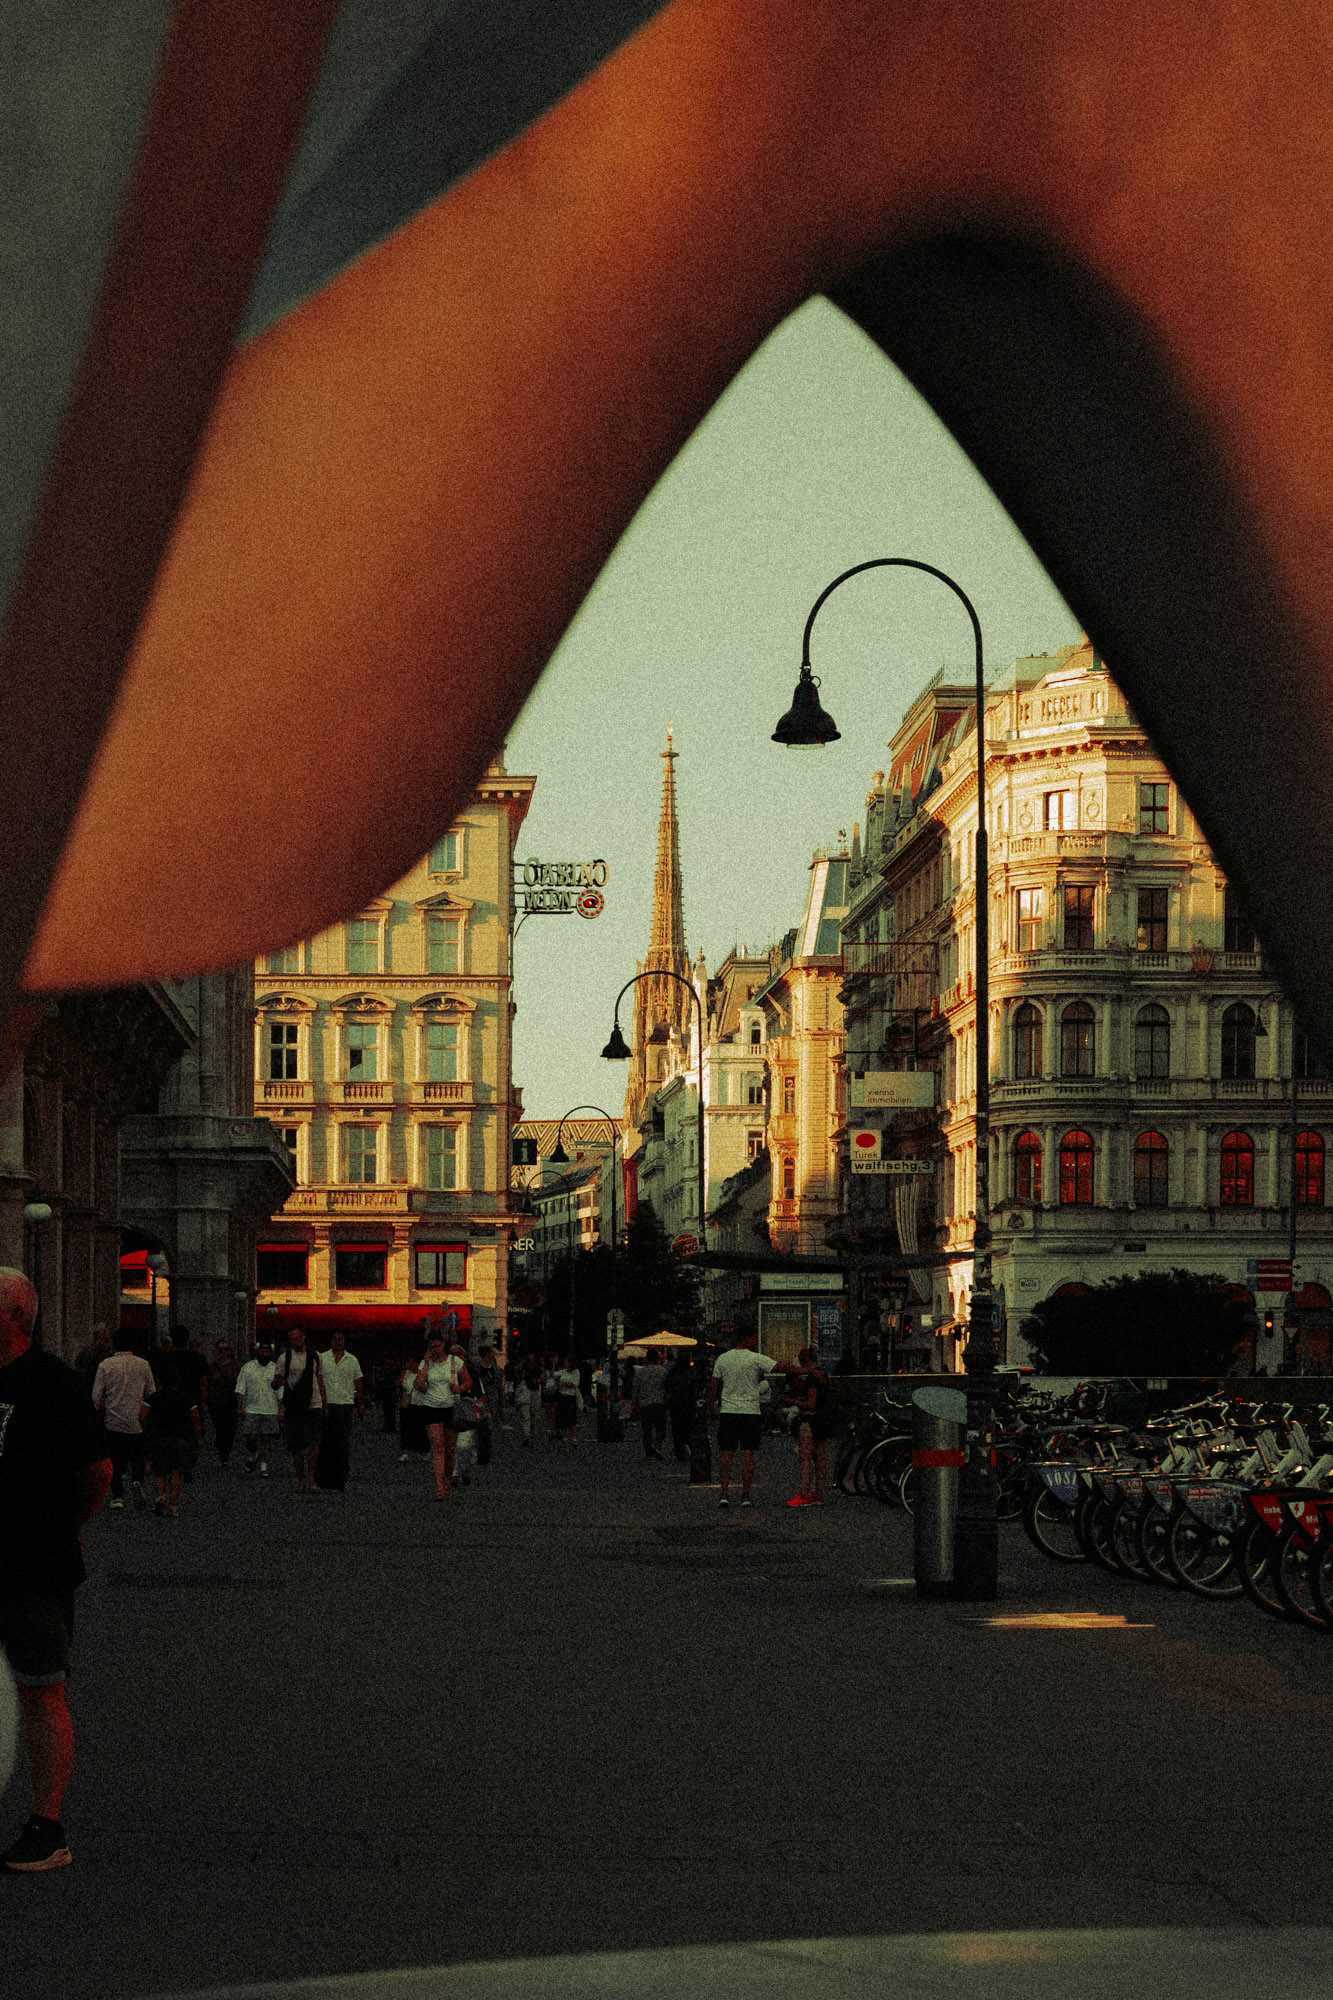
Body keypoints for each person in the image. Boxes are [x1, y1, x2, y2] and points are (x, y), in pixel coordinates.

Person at [0, 1266, 112, 1873]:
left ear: (15, 1317)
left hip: (32, 1565)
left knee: (41, 1690)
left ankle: (47, 1826)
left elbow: (97, 1471)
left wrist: (64, 1529)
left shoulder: (52, 1383)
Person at [707, 1330, 784, 1507]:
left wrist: (711, 1408)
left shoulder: (723, 1358)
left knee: (726, 1453)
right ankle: (746, 1495)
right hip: (750, 1411)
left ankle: (724, 1492)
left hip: (728, 1410)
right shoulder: (755, 1358)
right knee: (748, 1453)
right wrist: (805, 1370)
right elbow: (778, 1367)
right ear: (748, 1339)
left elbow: (713, 1386)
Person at [90, 1329, 155, 1511]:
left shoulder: (105, 1365)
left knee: (116, 1461)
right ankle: (137, 1481)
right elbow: (151, 1392)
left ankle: (117, 1496)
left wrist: (100, 1409)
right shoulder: (143, 1365)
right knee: (138, 1457)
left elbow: (95, 1396)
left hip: (113, 1420)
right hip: (137, 1421)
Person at [415, 1330, 468, 1498]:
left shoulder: (455, 1361)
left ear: (443, 1345)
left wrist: (459, 1388)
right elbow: (418, 1384)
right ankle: (439, 1486)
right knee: (437, 1447)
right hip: (431, 1407)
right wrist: (426, 1365)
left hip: (451, 1407)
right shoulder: (426, 1362)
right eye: (431, 1346)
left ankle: (448, 1483)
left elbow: (468, 1381)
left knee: (449, 1449)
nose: (435, 1349)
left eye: (437, 1346)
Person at [144, 1365, 201, 1517]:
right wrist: (197, 1438)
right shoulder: (186, 1399)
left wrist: (147, 1429)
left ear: (160, 1381)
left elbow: (141, 1415)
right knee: (177, 1472)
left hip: (159, 1437)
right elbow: (195, 1419)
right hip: (181, 1439)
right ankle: (173, 1505)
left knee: (160, 1471)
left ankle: (160, 1495)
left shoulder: (154, 1398)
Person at [274, 1327, 326, 1491]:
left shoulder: (316, 1356)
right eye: (291, 1339)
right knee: (295, 1445)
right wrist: (279, 1384)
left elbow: (320, 1379)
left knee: (314, 1442)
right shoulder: (285, 1358)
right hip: (294, 1405)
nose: (293, 1341)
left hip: (313, 1403)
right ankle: (301, 1479)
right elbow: (276, 1381)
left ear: (303, 1336)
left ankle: (311, 1477)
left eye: (296, 1338)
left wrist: (325, 1404)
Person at [315, 1332, 364, 1492]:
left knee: (342, 1443)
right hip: (325, 1404)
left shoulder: (352, 1360)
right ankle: (323, 1478)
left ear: (345, 1341)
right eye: (335, 1339)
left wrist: (361, 1404)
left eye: (340, 1339)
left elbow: (358, 1383)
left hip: (344, 1405)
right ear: (330, 1341)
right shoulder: (321, 1358)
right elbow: (318, 1380)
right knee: (324, 1442)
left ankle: (340, 1477)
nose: (337, 1342)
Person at [786, 1347, 834, 1507]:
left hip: (810, 1420)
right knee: (820, 1458)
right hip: (824, 1419)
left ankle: (805, 1494)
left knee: (806, 1458)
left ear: (804, 1360)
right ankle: (818, 1494)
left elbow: (811, 1403)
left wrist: (795, 1402)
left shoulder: (812, 1377)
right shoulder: (824, 1375)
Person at [235, 1338, 280, 1475]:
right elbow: (241, 1388)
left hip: (270, 1408)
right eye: (263, 1351)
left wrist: (282, 1408)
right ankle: (253, 1454)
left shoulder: (275, 1368)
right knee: (251, 1436)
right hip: (251, 1408)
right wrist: (239, 1406)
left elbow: (281, 1390)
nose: (265, 1353)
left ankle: (264, 1465)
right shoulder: (248, 1367)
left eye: (267, 1351)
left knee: (266, 1438)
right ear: (258, 1352)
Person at [205, 1338, 241, 1465]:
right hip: (215, 1402)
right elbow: (206, 1384)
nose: (223, 1352)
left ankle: (226, 1453)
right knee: (220, 1428)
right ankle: (222, 1454)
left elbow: (240, 1385)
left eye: (226, 1349)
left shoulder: (235, 1367)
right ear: (216, 1350)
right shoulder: (211, 1367)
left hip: (231, 1401)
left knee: (230, 1429)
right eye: (220, 1349)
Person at [630, 1346, 668, 1461]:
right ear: (657, 1359)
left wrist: (634, 1405)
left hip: (644, 1404)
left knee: (646, 1431)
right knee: (661, 1429)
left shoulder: (640, 1372)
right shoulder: (663, 1372)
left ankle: (649, 1455)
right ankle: (657, 1445)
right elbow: (666, 1388)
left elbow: (635, 1390)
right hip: (659, 1403)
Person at [664, 1352, 696, 1463]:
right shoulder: (691, 1373)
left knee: (677, 1430)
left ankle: (680, 1452)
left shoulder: (672, 1373)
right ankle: (689, 1448)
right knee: (689, 1428)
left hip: (675, 1405)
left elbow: (668, 1390)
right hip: (689, 1405)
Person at [513, 1352, 543, 1447]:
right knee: (526, 1416)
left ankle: (531, 1435)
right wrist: (523, 1362)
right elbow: (517, 1370)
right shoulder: (523, 1369)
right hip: (525, 1393)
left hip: (534, 1393)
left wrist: (538, 1380)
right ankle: (527, 1436)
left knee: (534, 1416)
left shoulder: (538, 1369)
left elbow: (542, 1378)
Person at [553, 1354, 582, 1448]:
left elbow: (574, 1384)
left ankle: (574, 1438)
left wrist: (562, 1384)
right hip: (562, 1396)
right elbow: (554, 1375)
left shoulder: (576, 1372)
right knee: (563, 1417)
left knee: (572, 1418)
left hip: (570, 1397)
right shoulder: (563, 1371)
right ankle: (564, 1436)